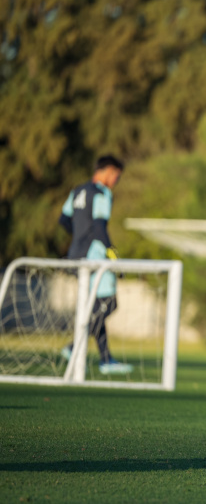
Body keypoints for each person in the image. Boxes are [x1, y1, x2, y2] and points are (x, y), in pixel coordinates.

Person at [58, 155, 133, 375]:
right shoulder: (102, 193)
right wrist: (112, 253)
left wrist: (79, 237)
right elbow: (100, 227)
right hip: (95, 255)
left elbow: (64, 220)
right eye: (116, 176)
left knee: (95, 308)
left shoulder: (77, 191)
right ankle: (74, 346)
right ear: (108, 171)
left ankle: (106, 359)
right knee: (109, 303)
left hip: (76, 254)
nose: (116, 180)